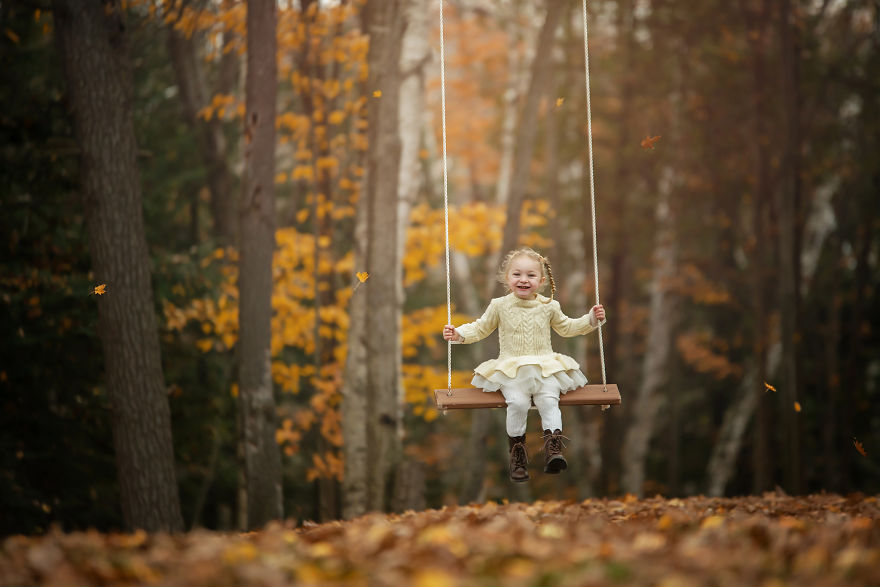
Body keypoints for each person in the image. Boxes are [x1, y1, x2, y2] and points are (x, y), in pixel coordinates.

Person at [442, 247, 606, 482]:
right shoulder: (499, 305)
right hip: (512, 369)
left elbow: (568, 328)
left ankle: (554, 449)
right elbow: (480, 328)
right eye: (517, 274)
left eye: (530, 275)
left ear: (541, 281)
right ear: (507, 279)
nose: (523, 280)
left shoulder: (549, 306)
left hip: (545, 366)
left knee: (549, 401)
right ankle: (517, 455)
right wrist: (457, 333)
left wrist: (591, 319)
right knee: (517, 403)